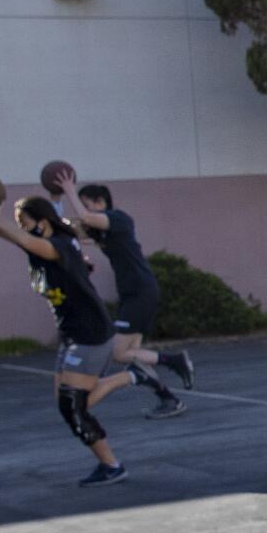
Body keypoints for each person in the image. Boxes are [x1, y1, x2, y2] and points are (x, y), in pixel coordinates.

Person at [0, 192, 143, 486]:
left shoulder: (56, 246)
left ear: (43, 221)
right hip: (71, 333)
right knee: (64, 401)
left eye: (25, 222)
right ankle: (129, 377)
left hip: (90, 332)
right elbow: (20, 240)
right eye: (19, 224)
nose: (23, 229)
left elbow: (18, 239)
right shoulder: (51, 248)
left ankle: (112, 465)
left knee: (72, 406)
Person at [52, 164, 194, 418]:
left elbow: (84, 218)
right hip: (133, 293)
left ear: (100, 201)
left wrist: (70, 190)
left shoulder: (119, 219)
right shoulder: (101, 231)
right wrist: (56, 200)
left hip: (141, 290)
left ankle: (175, 361)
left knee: (118, 352)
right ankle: (169, 399)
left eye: (87, 203)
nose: (83, 208)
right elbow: (66, 229)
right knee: (133, 356)